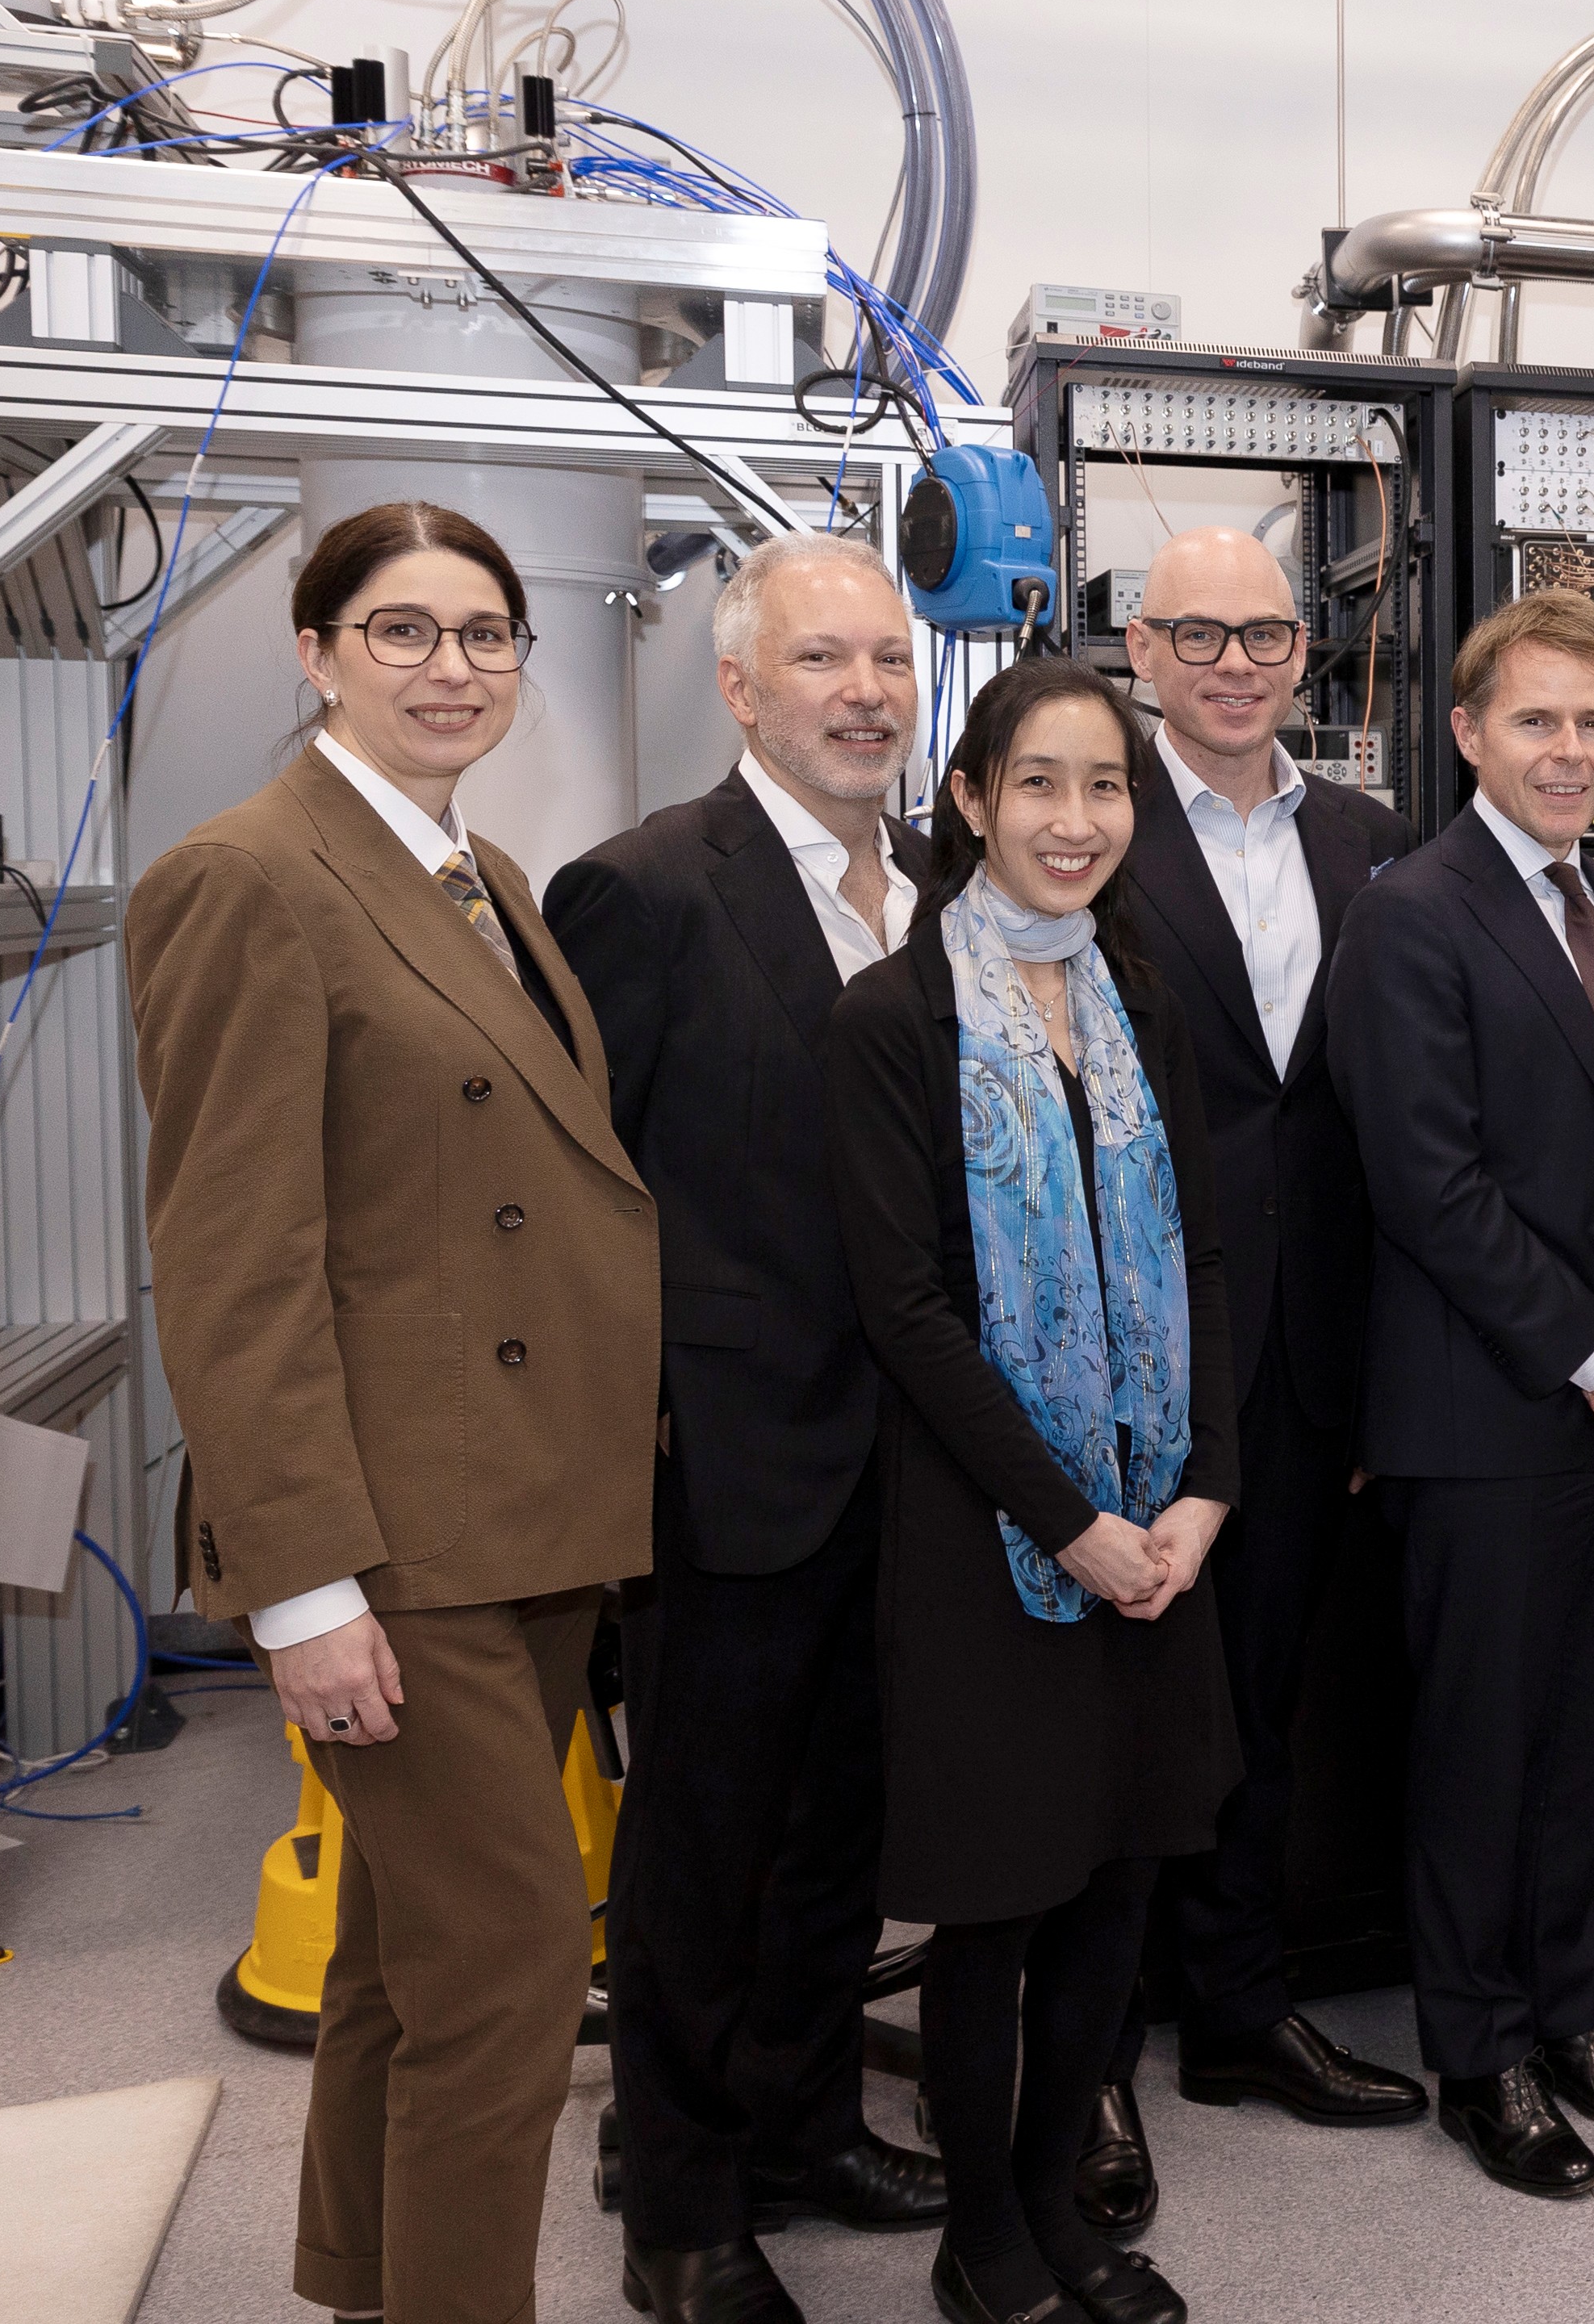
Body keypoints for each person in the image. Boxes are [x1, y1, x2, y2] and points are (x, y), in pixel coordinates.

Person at [128, 502, 657, 2324]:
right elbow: (232, 1261)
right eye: (405, 629)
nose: (455, 667)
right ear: (317, 649)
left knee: (398, 1951)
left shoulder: (479, 873)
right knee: (511, 1968)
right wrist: (302, 1586)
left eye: (487, 633)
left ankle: (361, 2281)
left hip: (527, 1511)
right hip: (395, 1535)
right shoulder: (248, 875)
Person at [544, 533, 950, 2324]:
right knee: (704, 1843)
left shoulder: (943, 883)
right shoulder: (644, 890)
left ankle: (802, 2121)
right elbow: (576, 1201)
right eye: (821, 661)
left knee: (846, 1826)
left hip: (922, 1462)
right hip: (731, 1459)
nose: (864, 690)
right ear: (738, 686)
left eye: (887, 659)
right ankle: (684, 2205)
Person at [826, 658, 1239, 2324]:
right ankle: (983, 2232)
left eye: (1107, 788)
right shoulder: (891, 1018)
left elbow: (1211, 1254)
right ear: (975, 799)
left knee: (1117, 1890)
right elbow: (905, 1311)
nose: (1076, 821)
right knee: (998, 1914)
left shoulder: (1144, 994)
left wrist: (1206, 1486)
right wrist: (1071, 1515)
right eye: (1041, 784)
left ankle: (1067, 2199)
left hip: (1161, 1529)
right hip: (987, 1536)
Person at [1328, 589, 1594, 2199]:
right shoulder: (1409, 913)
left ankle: (1567, 2011)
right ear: (1471, 733)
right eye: (1539, 719)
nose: (1572, 749)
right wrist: (1589, 1347)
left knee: (1580, 1740)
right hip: (1488, 1408)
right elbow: (1429, 1182)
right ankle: (1476, 2055)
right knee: (1481, 1747)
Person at [1107, 527, 1425, 2164]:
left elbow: (1377, 1108)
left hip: (1306, 1352)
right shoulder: (1087, 820)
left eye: (1265, 635)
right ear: (1141, 647)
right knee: (1109, 1706)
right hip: (1133, 1348)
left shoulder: (1371, 838)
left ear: (1308, 654)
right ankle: (1083, 2058)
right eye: (1198, 632)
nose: (1234, 661)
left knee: (1263, 1696)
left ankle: (1234, 2011)